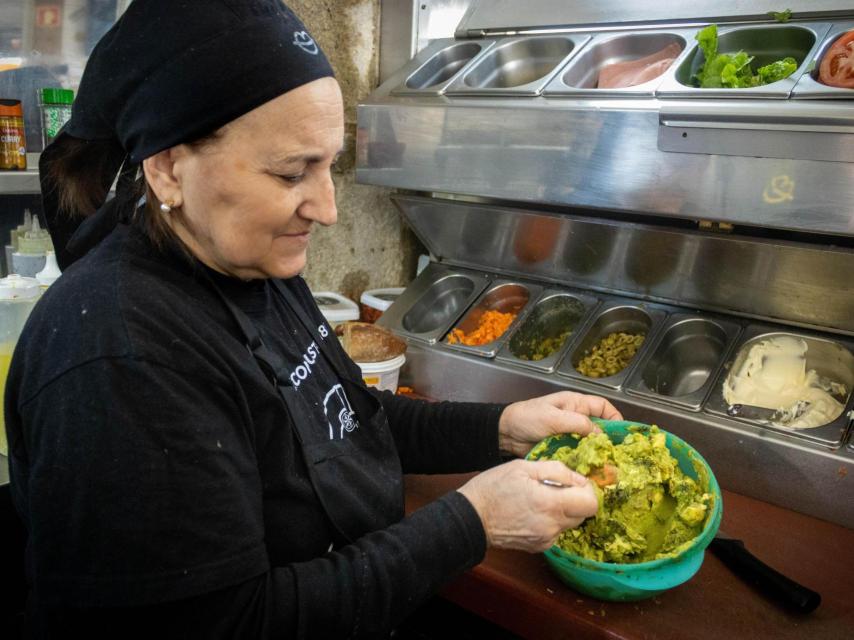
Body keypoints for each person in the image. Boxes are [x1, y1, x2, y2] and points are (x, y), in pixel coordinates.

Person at [5, 2, 623, 638]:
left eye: (330, 164)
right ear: (168, 167)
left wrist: (501, 428)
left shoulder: (251, 263)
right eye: (291, 171)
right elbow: (235, 624)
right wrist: (475, 521)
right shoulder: (119, 357)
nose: (327, 208)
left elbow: (346, 419)